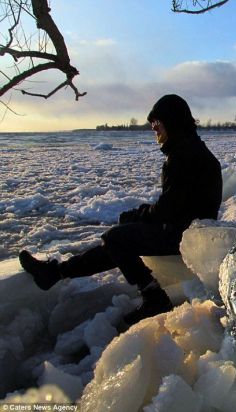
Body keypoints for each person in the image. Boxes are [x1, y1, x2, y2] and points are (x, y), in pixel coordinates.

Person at [19, 94, 223, 325]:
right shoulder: (189, 150)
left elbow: (168, 209)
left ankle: (153, 296)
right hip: (185, 227)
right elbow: (175, 205)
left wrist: (138, 215)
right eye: (152, 125)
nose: (154, 130)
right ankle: (55, 273)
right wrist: (141, 216)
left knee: (116, 238)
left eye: (157, 124)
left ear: (172, 122)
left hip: (186, 235)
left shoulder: (185, 156)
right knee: (118, 240)